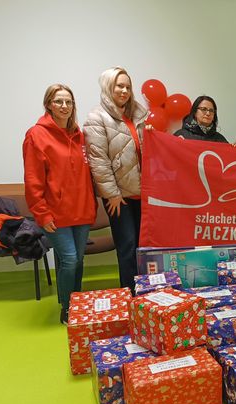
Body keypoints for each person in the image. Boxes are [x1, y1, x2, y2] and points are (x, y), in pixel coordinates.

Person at [23, 84, 96, 324]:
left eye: (68, 102)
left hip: (82, 212)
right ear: (49, 105)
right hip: (55, 214)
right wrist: (42, 214)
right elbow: (33, 181)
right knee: (70, 259)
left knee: (79, 260)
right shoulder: (36, 135)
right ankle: (67, 308)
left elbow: (86, 176)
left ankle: (78, 302)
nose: (64, 106)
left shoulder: (79, 135)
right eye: (58, 101)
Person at [83, 67, 149, 292]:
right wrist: (111, 194)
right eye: (119, 86)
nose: (124, 91)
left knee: (143, 246)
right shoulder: (96, 117)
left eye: (128, 87)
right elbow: (98, 160)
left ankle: (144, 291)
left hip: (142, 193)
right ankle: (131, 294)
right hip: (118, 197)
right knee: (127, 245)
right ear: (108, 87)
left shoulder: (138, 115)